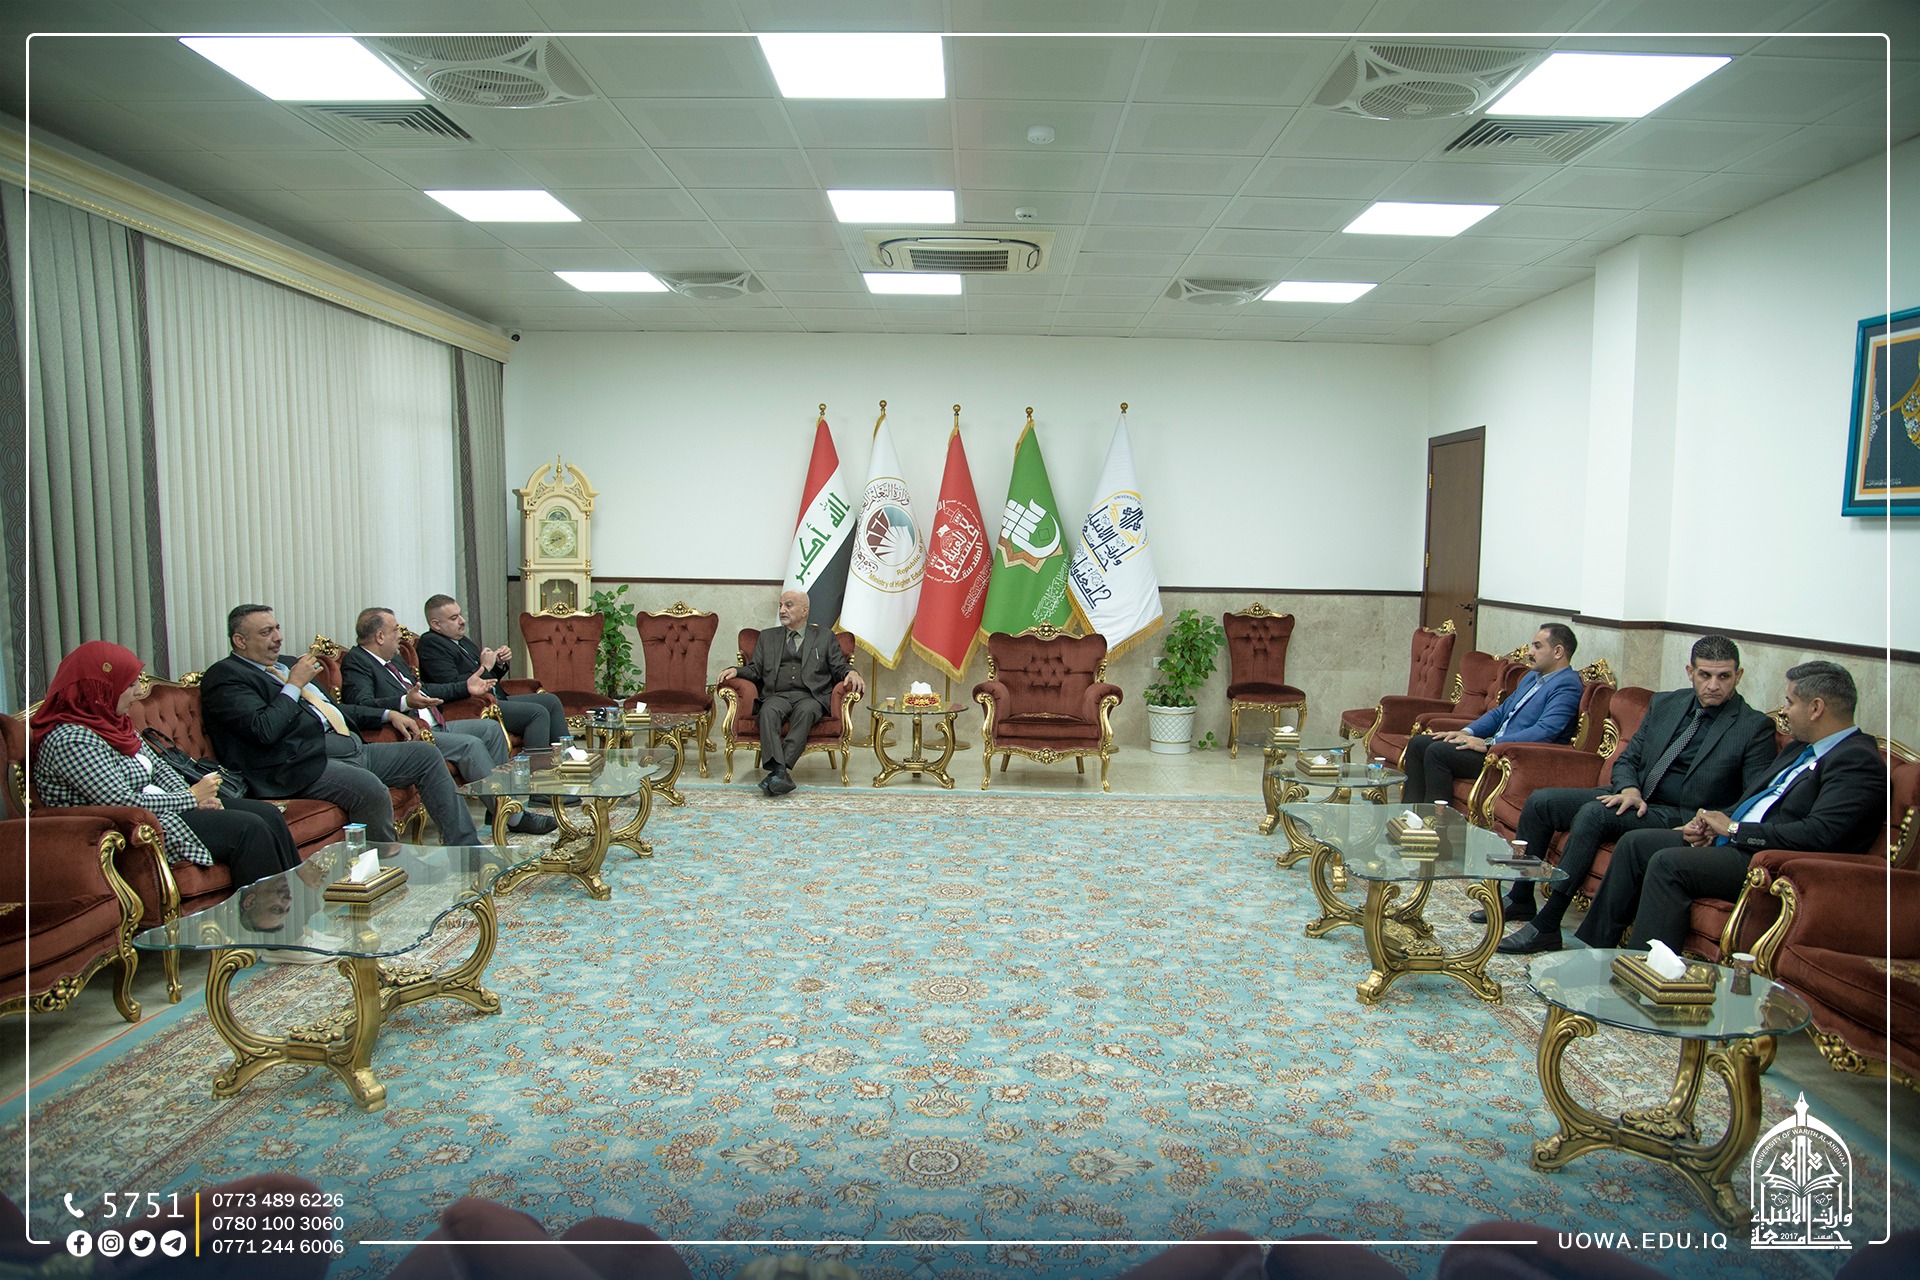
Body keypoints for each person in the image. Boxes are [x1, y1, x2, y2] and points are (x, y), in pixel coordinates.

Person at [1492, 635, 1779, 954]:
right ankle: (1521, 898)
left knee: (1595, 814)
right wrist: (1629, 788)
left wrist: (1709, 823)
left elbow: (1753, 799)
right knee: (1542, 801)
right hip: (1637, 797)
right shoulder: (1666, 704)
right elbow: (1629, 758)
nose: (1713, 685)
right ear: (1690, 672)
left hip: (1680, 814)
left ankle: (1548, 923)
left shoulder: (1753, 727)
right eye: (1705, 675)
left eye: (1723, 676)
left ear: (1738, 676)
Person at [1577, 660, 1886, 952]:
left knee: (1668, 863)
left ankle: (1644, 971)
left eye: (1790, 702)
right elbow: (1755, 800)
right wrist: (1713, 822)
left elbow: (1820, 834)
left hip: (1770, 860)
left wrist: (1736, 830)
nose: (1784, 712)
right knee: (1634, 844)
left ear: (1816, 708)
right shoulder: (1801, 749)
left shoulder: (1857, 761)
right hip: (1739, 841)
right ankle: (1590, 951)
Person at [200, 604, 481, 847]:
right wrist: (294, 684)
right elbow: (264, 729)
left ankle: (466, 847)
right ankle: (389, 866)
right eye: (266, 632)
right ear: (240, 640)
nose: (278, 638)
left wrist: (387, 714)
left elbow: (332, 709)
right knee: (369, 787)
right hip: (298, 766)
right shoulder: (226, 677)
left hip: (350, 749)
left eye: (277, 628)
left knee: (426, 755)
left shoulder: (286, 664)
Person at [32, 641, 300, 888]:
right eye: (129, 686)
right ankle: (264, 920)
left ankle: (294, 903)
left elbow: (159, 768)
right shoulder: (72, 740)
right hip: (136, 829)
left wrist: (195, 799)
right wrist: (190, 797)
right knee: (250, 829)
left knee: (269, 815)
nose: (139, 692)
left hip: (166, 808)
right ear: (98, 691)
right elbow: (121, 801)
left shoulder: (114, 723)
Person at [341, 607, 556, 836]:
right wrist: (403, 703)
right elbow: (361, 705)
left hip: (436, 723)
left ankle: (499, 809)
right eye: (395, 630)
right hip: (413, 734)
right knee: (470, 745)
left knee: (491, 729)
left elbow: (427, 689)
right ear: (380, 636)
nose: (400, 635)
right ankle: (515, 817)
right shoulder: (358, 662)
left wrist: (465, 687)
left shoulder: (394, 660)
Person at [1400, 623, 1583, 805]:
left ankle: (1436, 819)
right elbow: (1500, 713)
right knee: (1419, 743)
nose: (1529, 652)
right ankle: (1410, 814)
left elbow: (1545, 731)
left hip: (1512, 756)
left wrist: (1490, 743)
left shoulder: (1567, 685)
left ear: (1558, 652)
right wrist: (1466, 732)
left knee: (1438, 752)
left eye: (1537, 646)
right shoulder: (1531, 678)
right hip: (1493, 746)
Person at [716, 590, 866, 795]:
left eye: (788, 605)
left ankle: (779, 770)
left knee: (806, 712)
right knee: (767, 712)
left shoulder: (824, 637)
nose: (782, 610)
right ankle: (781, 773)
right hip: (777, 695)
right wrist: (736, 670)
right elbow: (755, 670)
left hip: (810, 696)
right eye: (780, 606)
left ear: (805, 611)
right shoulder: (768, 637)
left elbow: (839, 666)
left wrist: (852, 672)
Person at [417, 594, 570, 752]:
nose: (462, 621)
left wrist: (498, 663)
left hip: (494, 697)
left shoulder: (461, 640)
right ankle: (536, 765)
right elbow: (452, 684)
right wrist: (485, 667)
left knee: (550, 700)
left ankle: (567, 755)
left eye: (460, 614)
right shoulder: (431, 644)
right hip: (476, 705)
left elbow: (486, 678)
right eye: (454, 618)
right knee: (537, 713)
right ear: (436, 625)